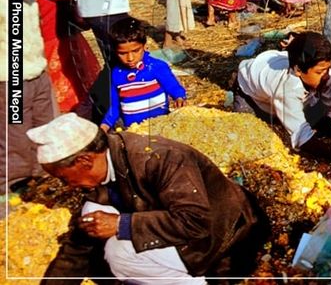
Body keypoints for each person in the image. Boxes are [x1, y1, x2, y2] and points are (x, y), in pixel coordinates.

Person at [27, 112, 268, 281]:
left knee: (119, 254)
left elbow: (196, 221)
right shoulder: (102, 168)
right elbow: (78, 247)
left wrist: (122, 225)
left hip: (225, 233)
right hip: (180, 224)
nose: (66, 186)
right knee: (93, 215)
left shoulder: (159, 159)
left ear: (84, 160)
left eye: (64, 177)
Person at [1, 0, 59, 193]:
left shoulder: (29, 1)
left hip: (38, 74)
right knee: (15, 137)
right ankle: (12, 184)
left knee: (44, 127)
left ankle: (40, 176)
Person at [233, 32, 331, 156]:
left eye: (327, 69)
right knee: (250, 127)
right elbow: (301, 137)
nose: (326, 75)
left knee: (312, 115)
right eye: (320, 72)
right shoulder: (287, 89)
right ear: (298, 70)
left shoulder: (324, 74)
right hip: (248, 88)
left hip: (273, 65)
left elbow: (330, 104)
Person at [100, 17, 186, 131]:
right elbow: (114, 107)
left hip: (161, 126)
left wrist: (179, 97)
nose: (130, 58)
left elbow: (173, 86)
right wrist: (104, 126)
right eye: (122, 53)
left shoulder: (156, 67)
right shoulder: (116, 75)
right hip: (134, 130)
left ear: (144, 45)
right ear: (115, 51)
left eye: (135, 51)